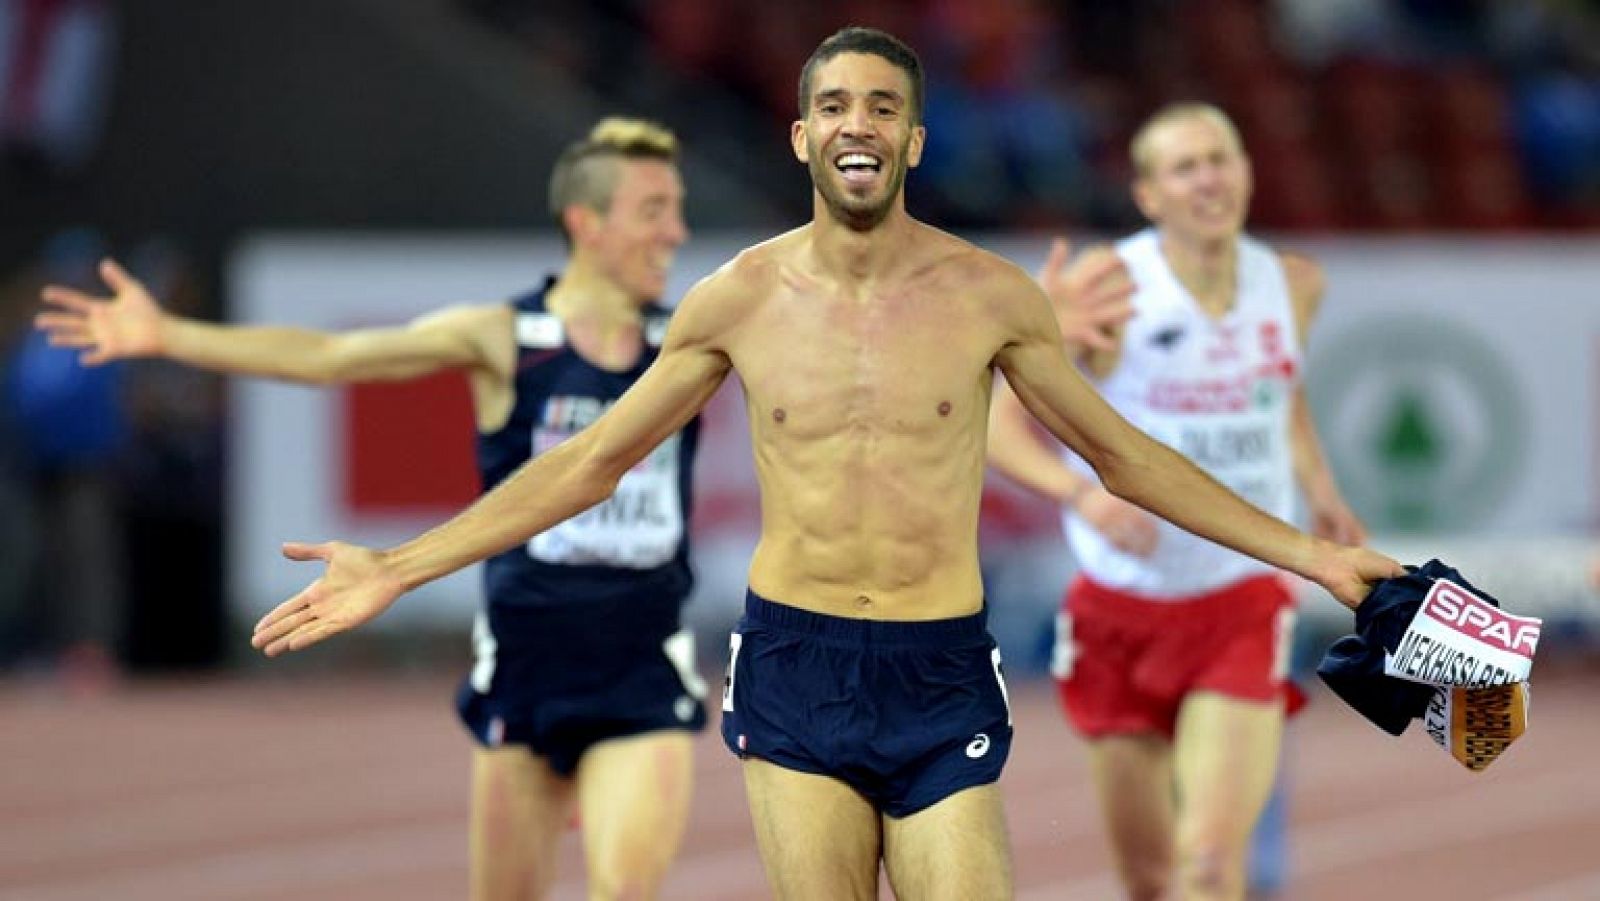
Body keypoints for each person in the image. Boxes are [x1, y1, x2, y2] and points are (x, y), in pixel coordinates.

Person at [243, 29, 1401, 901]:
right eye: (835, 105)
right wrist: (399, 566)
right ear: (802, 135)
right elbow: (590, 462)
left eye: (884, 107)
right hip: (795, 662)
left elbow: (1125, 457)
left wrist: (1315, 556)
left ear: (913, 140)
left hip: (937, 662)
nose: (860, 123)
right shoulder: (735, 297)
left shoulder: (989, 296)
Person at [36, 118, 707, 901]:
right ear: (586, 223)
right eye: (655, 210)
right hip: (525, 675)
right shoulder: (503, 337)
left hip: (643, 674)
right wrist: (169, 333)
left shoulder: (689, 342)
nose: (677, 231)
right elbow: (333, 358)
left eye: (678, 209)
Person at [986, 103, 1368, 900]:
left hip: (1240, 598)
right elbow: (999, 426)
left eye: (1221, 158)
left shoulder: (1295, 283)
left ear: (1248, 171)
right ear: (1148, 195)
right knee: (1150, 877)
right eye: (1185, 167)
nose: (1208, 178)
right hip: (1120, 608)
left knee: (1206, 861)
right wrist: (1079, 495)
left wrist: (1322, 492)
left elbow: (1281, 393)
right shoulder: (1110, 288)